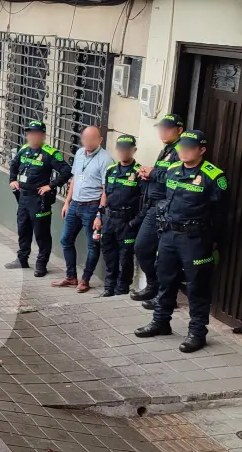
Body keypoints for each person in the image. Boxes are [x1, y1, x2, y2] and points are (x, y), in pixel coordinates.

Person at [134, 131, 227, 353]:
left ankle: (197, 333)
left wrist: (214, 241)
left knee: (197, 287)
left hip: (195, 240)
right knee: (166, 280)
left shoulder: (214, 176)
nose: (183, 151)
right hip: (168, 236)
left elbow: (222, 214)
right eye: (181, 147)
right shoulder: (173, 171)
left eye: (189, 147)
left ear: (201, 150)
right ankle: (161, 322)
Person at [5, 120, 72, 277]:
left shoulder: (50, 153)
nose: (31, 136)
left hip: (39, 200)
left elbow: (66, 171)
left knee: (41, 234)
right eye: (29, 133)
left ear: (42, 135)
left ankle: (41, 264)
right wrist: (12, 180)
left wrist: (51, 185)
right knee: (23, 229)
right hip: (23, 198)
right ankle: (22, 259)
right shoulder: (24, 149)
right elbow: (14, 165)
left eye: (35, 133)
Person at [52, 126, 114, 292]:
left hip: (92, 207)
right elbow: (74, 179)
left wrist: (99, 214)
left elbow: (106, 190)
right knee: (65, 240)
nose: (87, 142)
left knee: (92, 245)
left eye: (92, 139)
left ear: (100, 140)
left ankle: (85, 279)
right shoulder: (79, 154)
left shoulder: (106, 160)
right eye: (85, 138)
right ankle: (71, 276)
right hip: (75, 205)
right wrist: (67, 202)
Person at [132, 114, 185, 306]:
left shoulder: (182, 150)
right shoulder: (167, 149)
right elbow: (163, 174)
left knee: (164, 256)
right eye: (161, 128)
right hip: (153, 206)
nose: (162, 132)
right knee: (141, 247)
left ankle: (162, 296)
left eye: (167, 128)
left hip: (167, 209)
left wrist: (153, 172)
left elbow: (176, 178)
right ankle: (154, 285)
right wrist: (148, 174)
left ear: (179, 130)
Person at [94, 135, 145, 297]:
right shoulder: (111, 170)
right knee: (109, 253)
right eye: (121, 149)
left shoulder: (140, 172)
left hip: (127, 221)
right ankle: (109, 286)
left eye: (127, 149)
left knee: (125, 256)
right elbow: (105, 194)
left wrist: (134, 222)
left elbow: (145, 200)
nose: (123, 152)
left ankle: (122, 286)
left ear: (134, 150)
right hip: (109, 218)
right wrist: (99, 215)